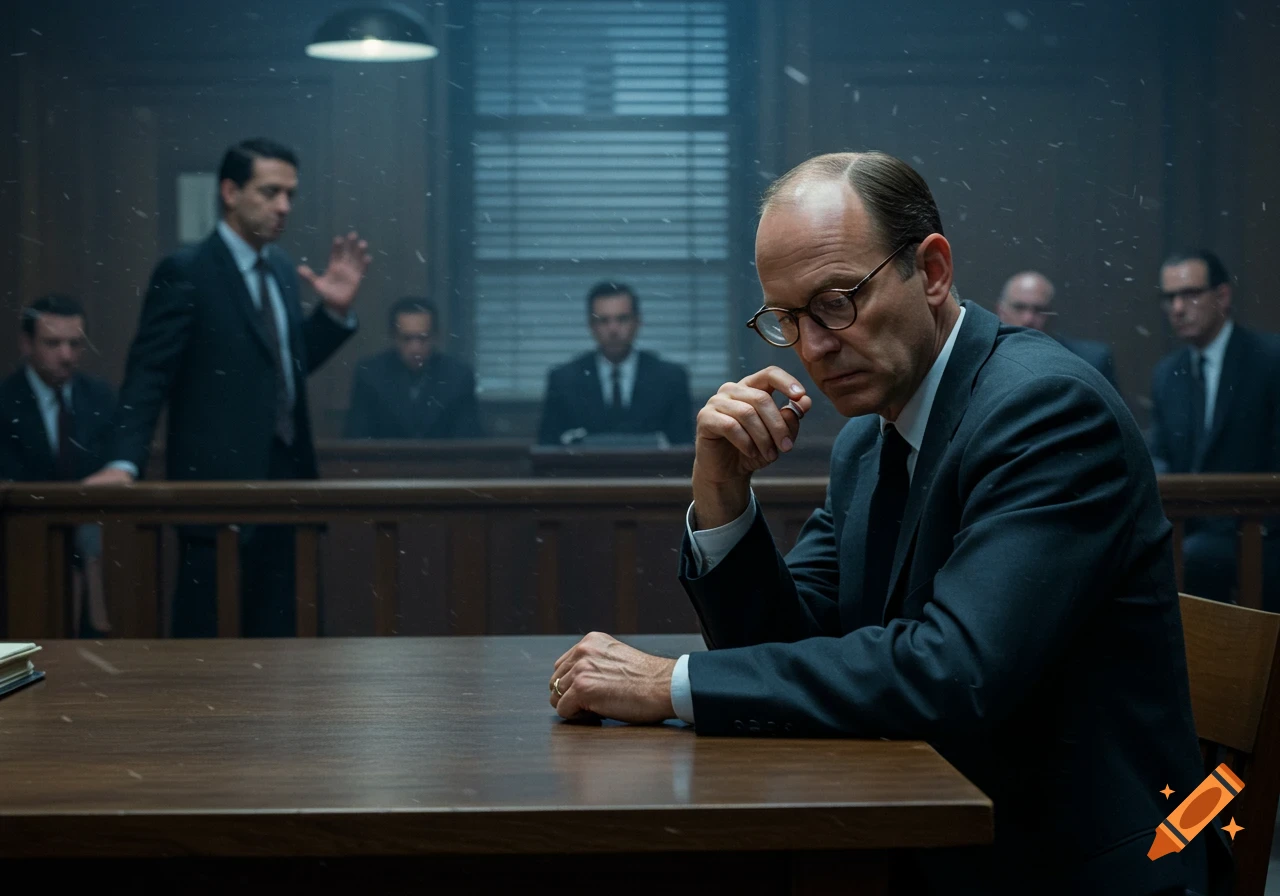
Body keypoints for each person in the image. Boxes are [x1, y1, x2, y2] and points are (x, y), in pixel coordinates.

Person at [546, 152, 1221, 895]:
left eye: (837, 301)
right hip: (937, 826)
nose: (814, 346)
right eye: (788, 319)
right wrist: (722, 495)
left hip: (1075, 864)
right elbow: (782, 647)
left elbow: (951, 672)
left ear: (931, 271)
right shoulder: (869, 439)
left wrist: (669, 683)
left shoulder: (1046, 409)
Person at [84, 137, 372, 638]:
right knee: (209, 644)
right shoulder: (187, 271)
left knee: (289, 643)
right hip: (216, 493)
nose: (283, 206)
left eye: (290, 194)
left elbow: (279, 366)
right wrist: (123, 461)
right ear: (230, 192)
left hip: (289, 489)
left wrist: (333, 314)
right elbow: (149, 374)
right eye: (270, 191)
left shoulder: (281, 270)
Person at [1148, 249, 1280, 607]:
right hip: (1187, 529)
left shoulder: (1269, 360)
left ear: (1222, 296)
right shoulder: (1167, 374)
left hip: (1260, 531)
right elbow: (1159, 454)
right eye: (1169, 297)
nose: (1177, 308)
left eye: (1190, 294)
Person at [0, 294, 114, 635]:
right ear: (27, 343)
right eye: (53, 343)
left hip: (94, 557)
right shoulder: (4, 402)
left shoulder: (101, 397)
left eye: (74, 344)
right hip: (22, 556)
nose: (66, 355)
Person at [537, 281, 694, 446]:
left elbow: (683, 449)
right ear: (591, 325)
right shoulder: (564, 380)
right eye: (603, 320)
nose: (613, 329)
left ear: (637, 322)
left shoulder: (670, 378)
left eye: (622, 319)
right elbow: (548, 448)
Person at [343, 296, 483, 439]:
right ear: (393, 337)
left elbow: (468, 440)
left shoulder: (458, 376)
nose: (415, 348)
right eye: (406, 338)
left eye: (423, 338)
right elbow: (356, 437)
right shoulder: (370, 375)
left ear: (435, 336)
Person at [996, 270, 1117, 387]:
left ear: (1052, 314)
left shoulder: (1091, 361)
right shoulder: (988, 359)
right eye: (1019, 307)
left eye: (1039, 309)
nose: (1028, 319)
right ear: (1001, 311)